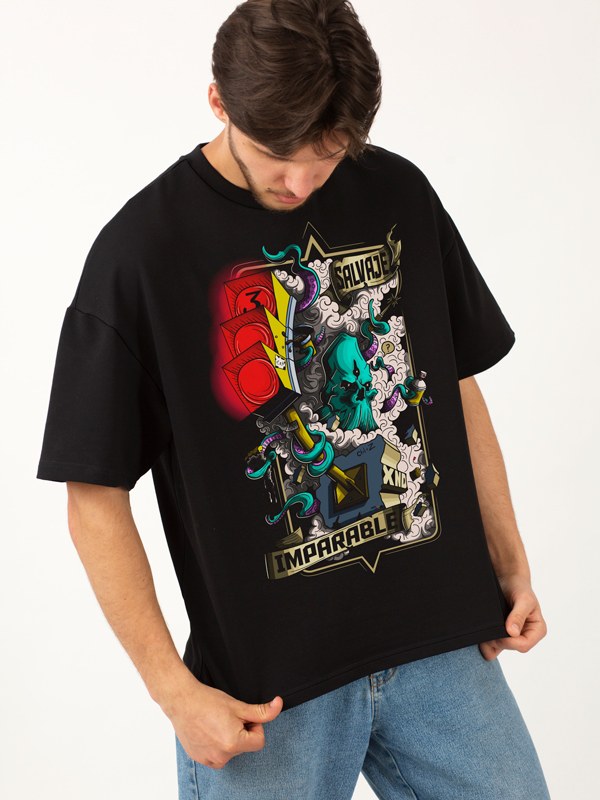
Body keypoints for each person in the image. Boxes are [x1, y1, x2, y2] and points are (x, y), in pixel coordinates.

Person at [37, 1, 551, 797]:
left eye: (330, 155)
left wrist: (510, 563)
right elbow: (92, 497)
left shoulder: (400, 193)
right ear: (219, 101)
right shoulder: (141, 253)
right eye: (277, 155)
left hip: (442, 647)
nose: (302, 182)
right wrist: (176, 694)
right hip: (269, 695)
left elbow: (455, 384)